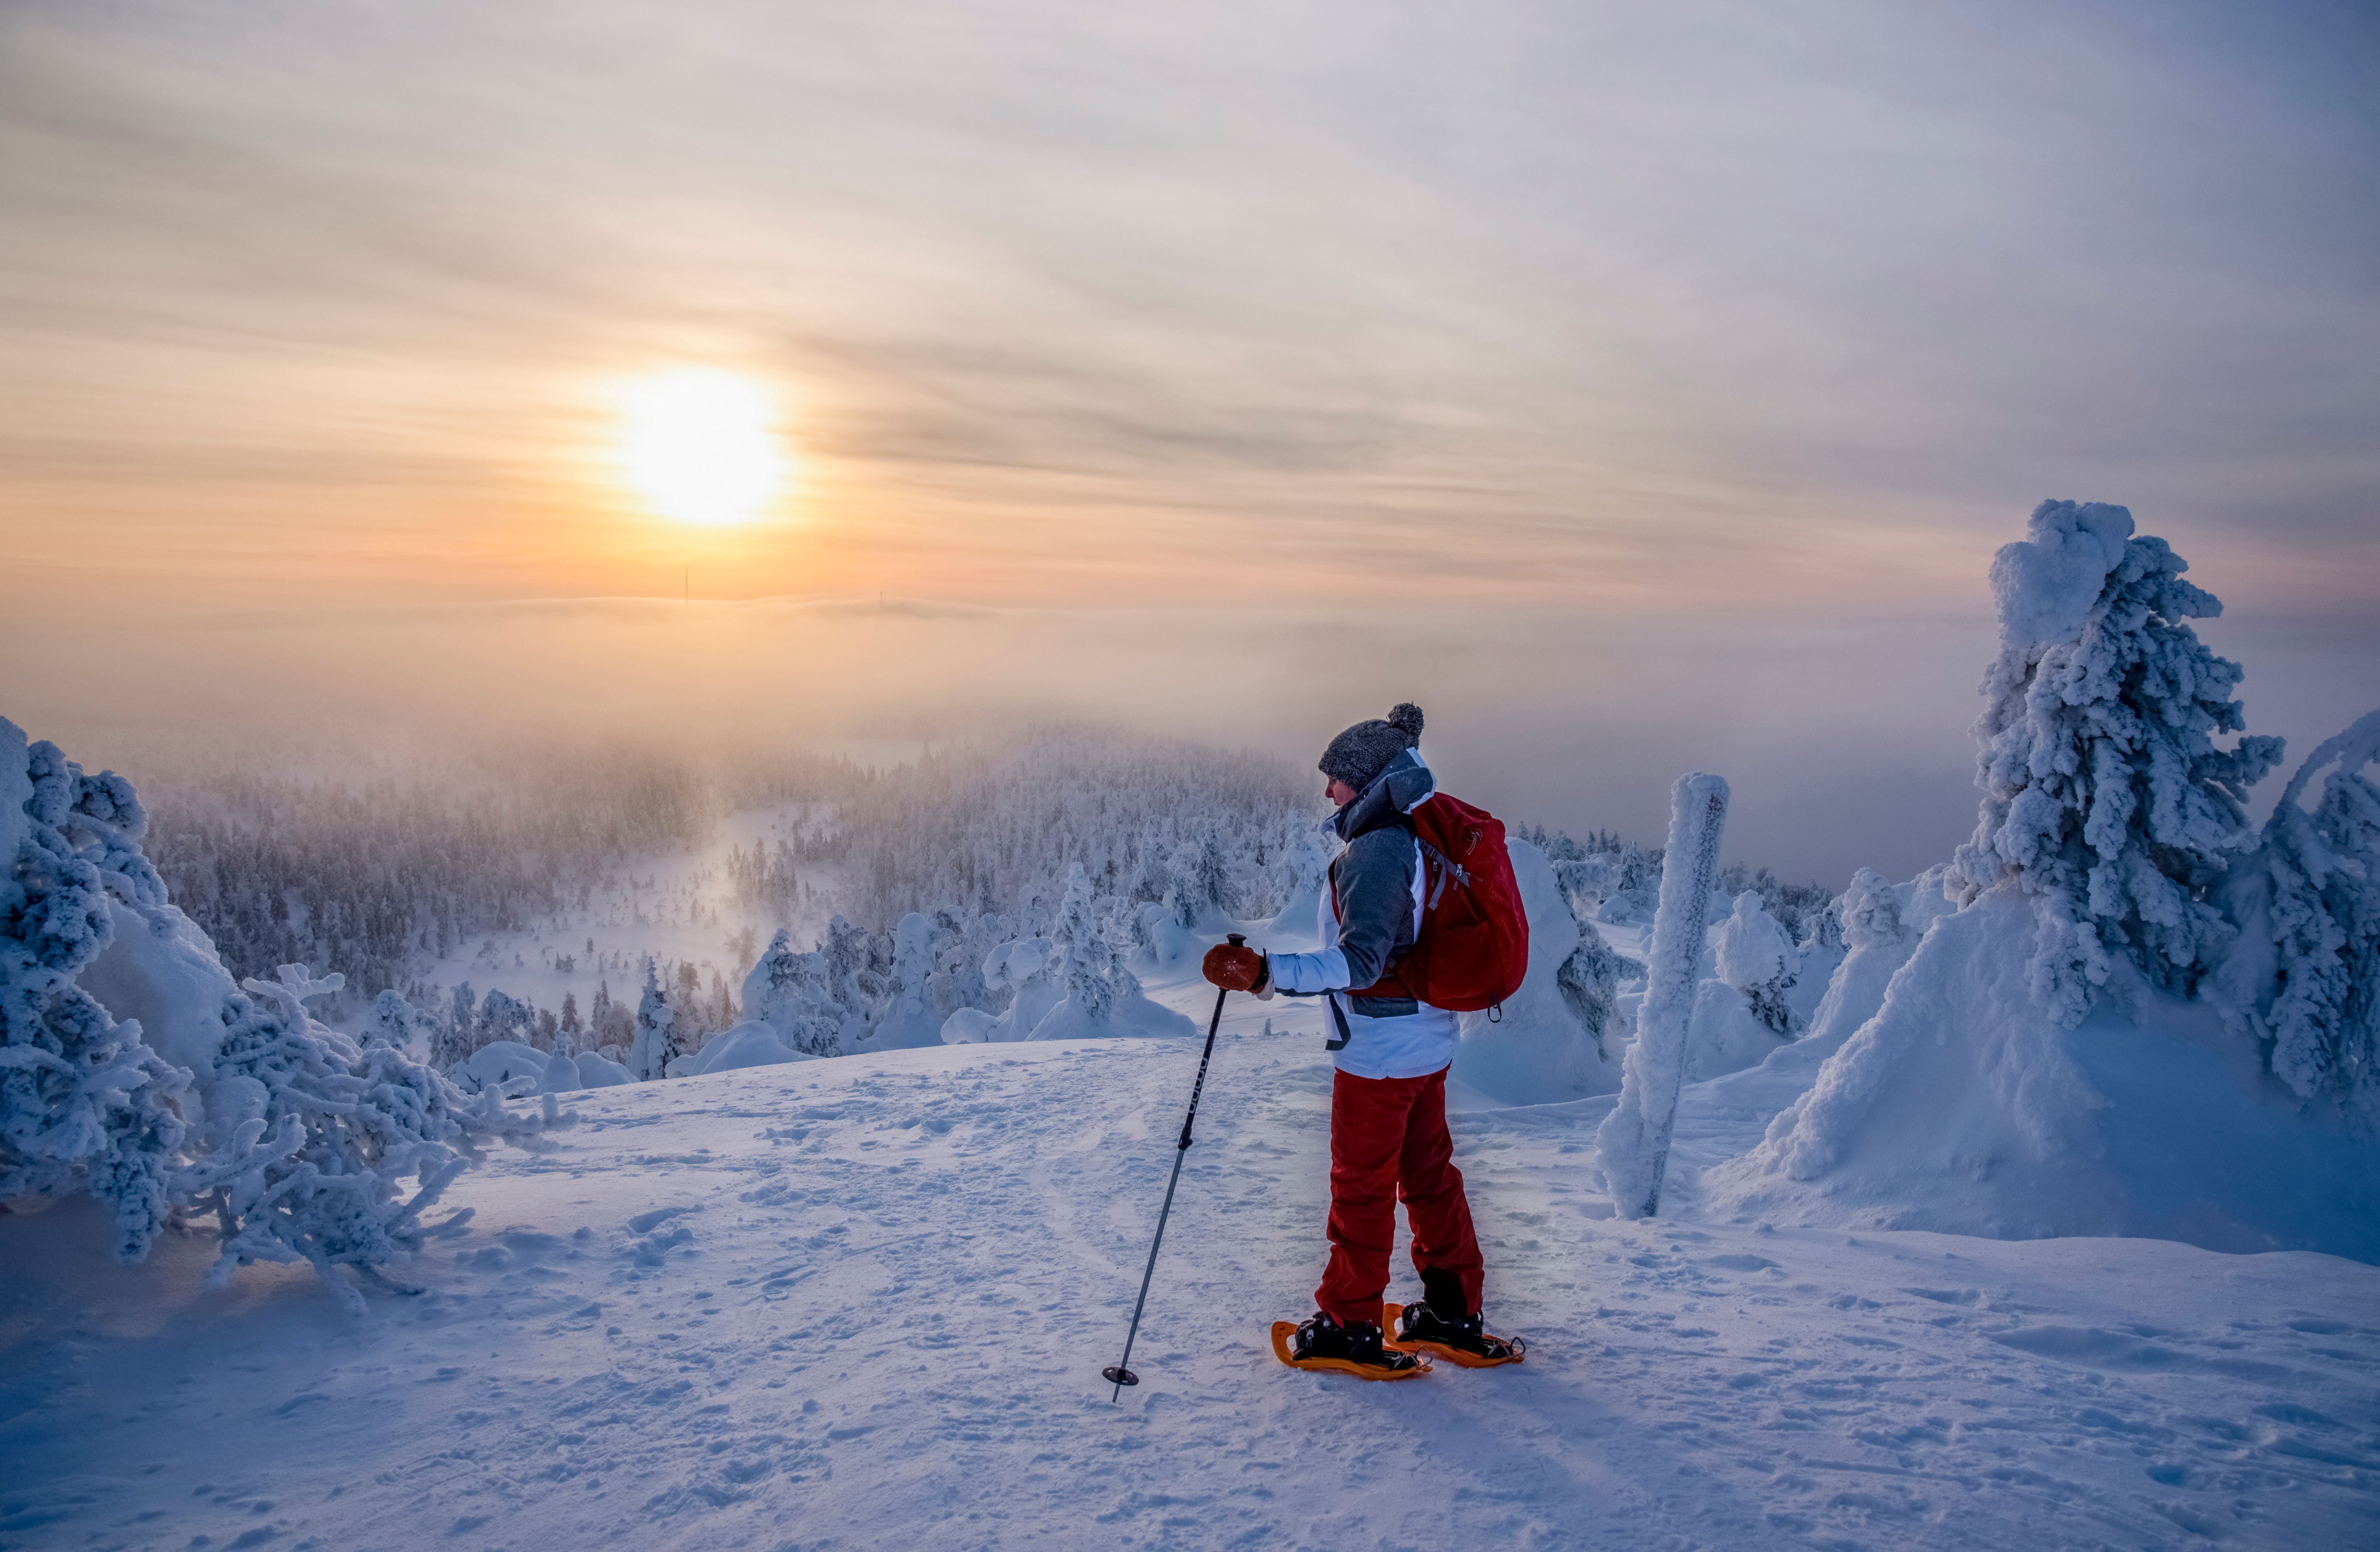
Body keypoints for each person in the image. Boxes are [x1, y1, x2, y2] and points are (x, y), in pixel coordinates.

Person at [1203, 703, 1522, 1377]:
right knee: (1430, 1179)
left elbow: (1360, 963)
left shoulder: (1378, 849)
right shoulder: (1408, 829)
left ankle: (1349, 1325)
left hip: (1380, 1055)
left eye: (1338, 778)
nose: (1328, 791)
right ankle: (1452, 1314)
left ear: (1370, 782)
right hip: (1425, 1042)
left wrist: (1264, 974)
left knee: (1362, 1188)